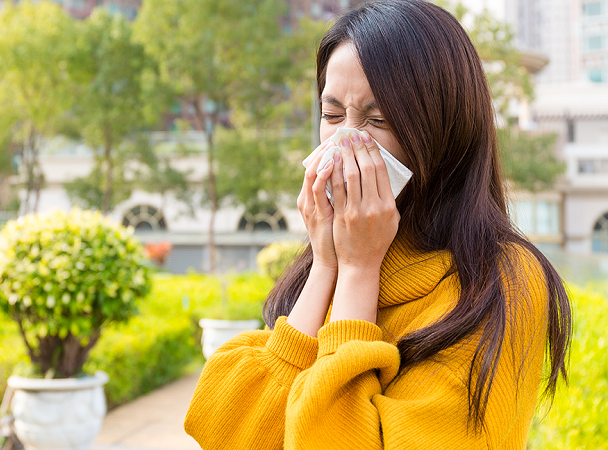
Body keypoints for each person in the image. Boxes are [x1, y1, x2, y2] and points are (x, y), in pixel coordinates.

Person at [184, 1, 571, 448]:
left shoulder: (499, 279)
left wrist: (358, 271)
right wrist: (326, 267)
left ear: (441, 130)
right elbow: (236, 431)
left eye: (378, 119)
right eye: (331, 116)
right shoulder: (336, 254)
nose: (346, 141)